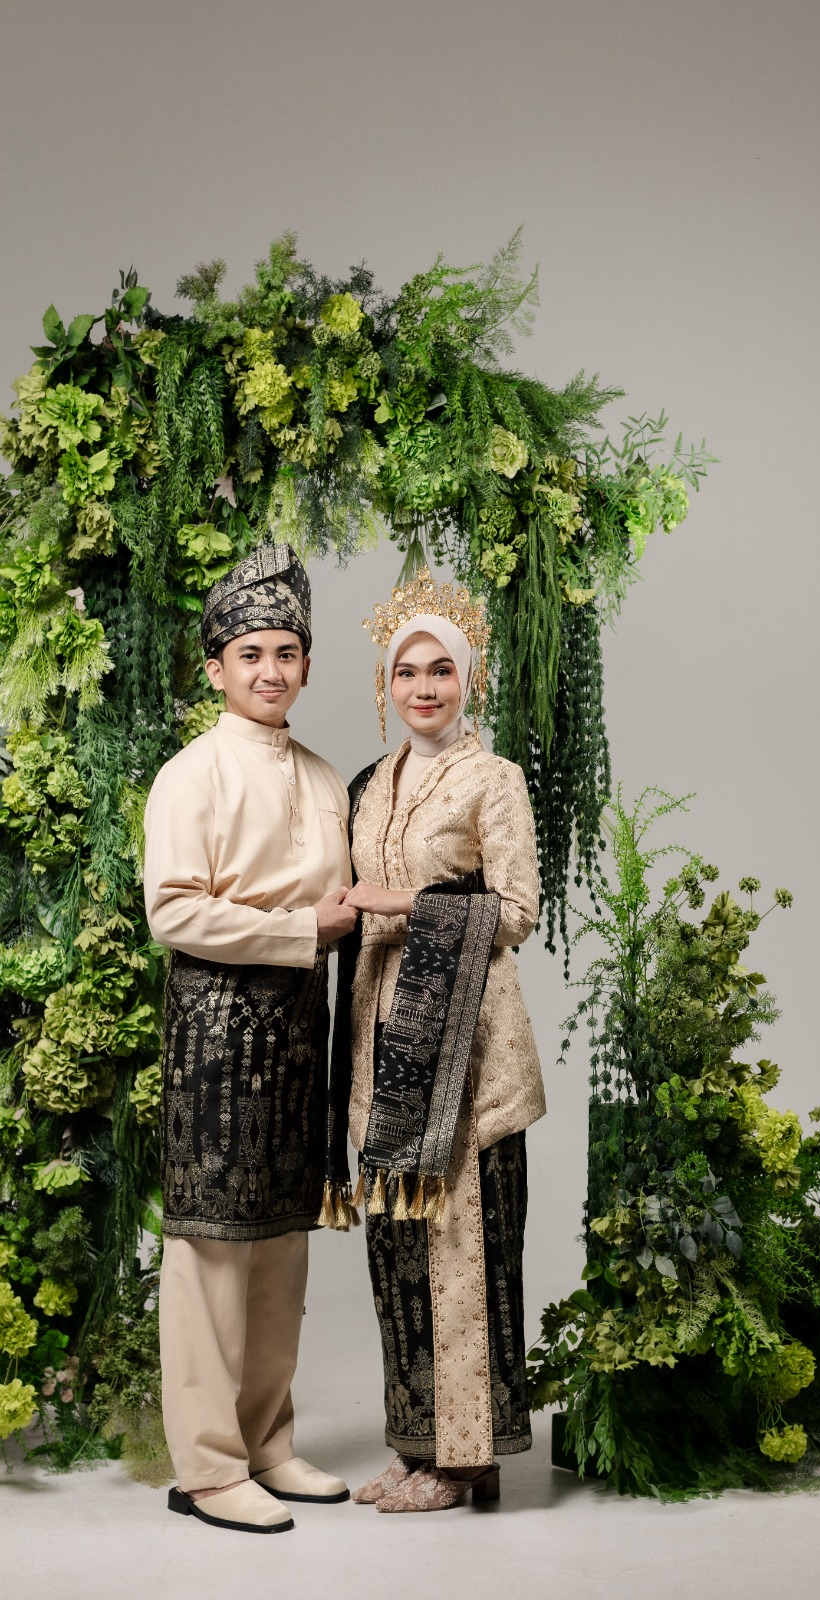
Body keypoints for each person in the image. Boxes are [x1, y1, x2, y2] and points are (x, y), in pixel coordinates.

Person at [143, 544, 357, 1535]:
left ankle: (266, 1442)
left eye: (287, 652)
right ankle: (207, 1466)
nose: (271, 671)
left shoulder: (322, 776)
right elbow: (175, 910)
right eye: (250, 653)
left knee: (280, 1241)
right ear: (216, 667)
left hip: (298, 1029)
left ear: (306, 664)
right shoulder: (191, 774)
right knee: (212, 1252)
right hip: (216, 1030)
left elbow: (344, 898)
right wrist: (300, 929)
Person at [328, 568, 546, 1513]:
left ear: (468, 680)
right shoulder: (369, 785)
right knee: (399, 1246)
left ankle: (467, 1461)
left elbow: (518, 910)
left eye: (441, 671)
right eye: (406, 672)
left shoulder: (493, 780)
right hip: (382, 1040)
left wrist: (397, 901)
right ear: (385, 684)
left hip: (468, 1046)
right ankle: (417, 1448)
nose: (424, 688)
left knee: (466, 1246)